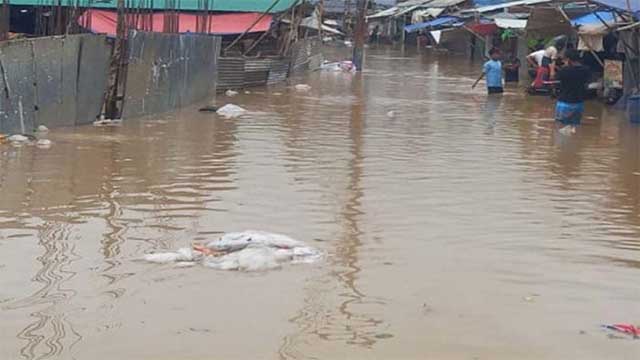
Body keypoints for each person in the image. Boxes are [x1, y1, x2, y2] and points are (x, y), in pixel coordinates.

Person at [552, 49, 590, 126]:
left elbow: (553, 78)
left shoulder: (564, 70)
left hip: (564, 103)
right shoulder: (586, 70)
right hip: (578, 104)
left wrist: (552, 68)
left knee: (560, 129)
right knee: (574, 128)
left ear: (568, 59)